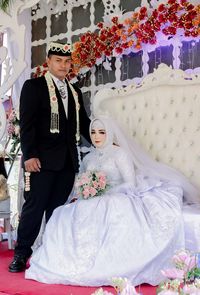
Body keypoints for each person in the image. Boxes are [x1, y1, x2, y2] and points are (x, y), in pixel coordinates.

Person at [25, 116, 199, 286]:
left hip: (118, 195)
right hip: (92, 199)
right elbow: (81, 182)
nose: (96, 136)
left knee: (110, 210)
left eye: (101, 132)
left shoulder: (119, 154)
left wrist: (105, 192)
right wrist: (87, 190)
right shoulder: (88, 158)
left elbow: (130, 182)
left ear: (109, 133)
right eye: (93, 132)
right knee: (60, 213)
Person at [8, 42, 91, 273]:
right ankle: (21, 254)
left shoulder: (74, 91)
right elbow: (27, 124)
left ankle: (51, 254)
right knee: (34, 208)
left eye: (67, 62)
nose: (63, 66)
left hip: (67, 162)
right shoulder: (33, 86)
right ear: (49, 62)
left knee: (57, 211)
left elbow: (83, 124)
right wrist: (30, 155)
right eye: (58, 61)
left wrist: (106, 142)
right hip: (40, 161)